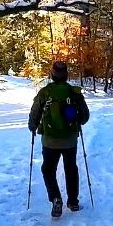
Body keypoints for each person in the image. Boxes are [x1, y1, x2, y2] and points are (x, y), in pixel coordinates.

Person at [28, 61, 90, 217]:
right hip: (70, 140)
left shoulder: (45, 92)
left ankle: (56, 198)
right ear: (66, 75)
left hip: (50, 141)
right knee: (71, 169)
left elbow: (35, 112)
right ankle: (73, 202)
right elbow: (85, 117)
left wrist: (32, 127)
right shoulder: (74, 92)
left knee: (48, 169)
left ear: (52, 75)